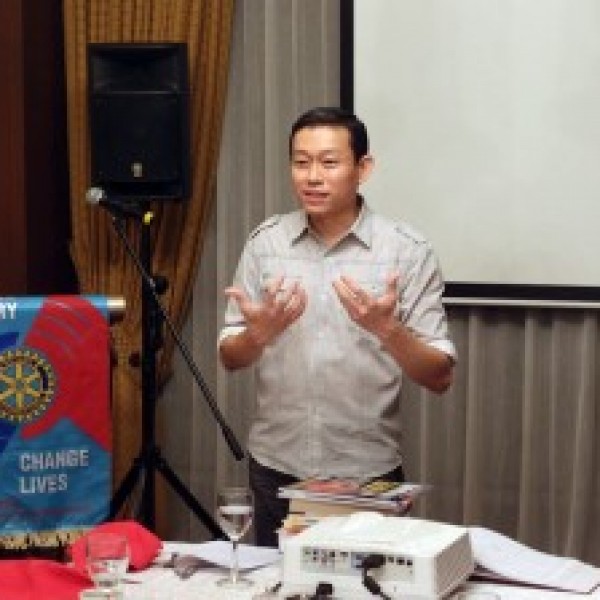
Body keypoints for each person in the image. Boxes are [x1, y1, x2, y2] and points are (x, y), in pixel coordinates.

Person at [218, 106, 456, 547]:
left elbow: (440, 376)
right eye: (300, 162)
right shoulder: (266, 244)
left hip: (365, 473)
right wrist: (257, 335)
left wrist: (388, 330)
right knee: (276, 580)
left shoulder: (406, 250)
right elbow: (230, 358)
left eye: (329, 163)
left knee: (364, 581)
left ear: (363, 168)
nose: (312, 177)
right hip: (276, 467)